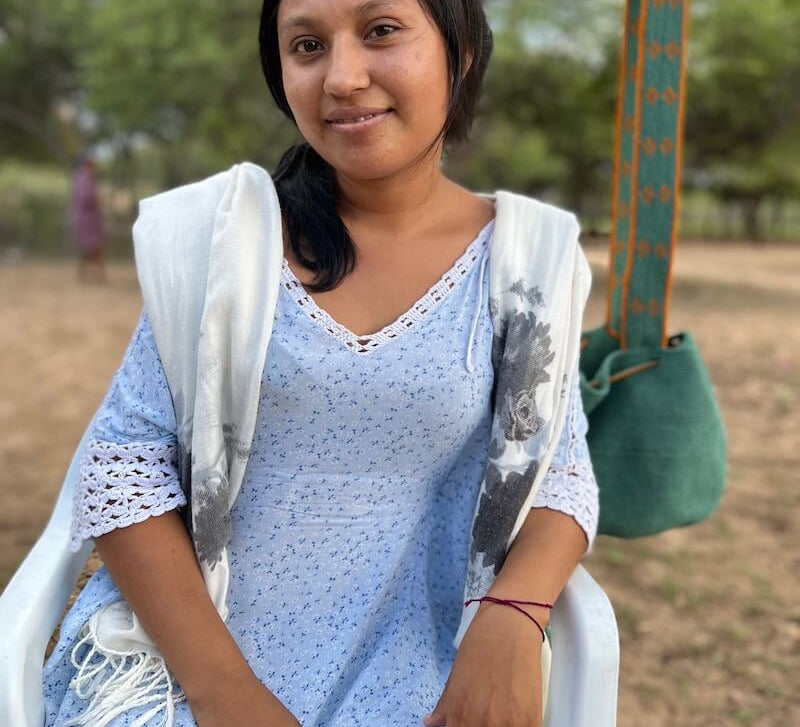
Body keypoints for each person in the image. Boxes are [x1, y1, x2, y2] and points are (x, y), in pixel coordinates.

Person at [42, 1, 599, 726]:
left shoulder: (528, 262)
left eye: (381, 31)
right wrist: (228, 699)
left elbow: (561, 470)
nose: (342, 77)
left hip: (418, 667)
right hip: (180, 665)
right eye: (307, 46)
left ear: (460, 54)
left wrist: (511, 615)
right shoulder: (226, 247)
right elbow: (122, 466)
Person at [69, 155, 107, 284]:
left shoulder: (79, 178)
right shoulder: (84, 179)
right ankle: (99, 275)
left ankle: (86, 274)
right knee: (94, 247)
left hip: (85, 218)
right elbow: (88, 198)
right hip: (88, 219)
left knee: (88, 247)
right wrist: (100, 202)